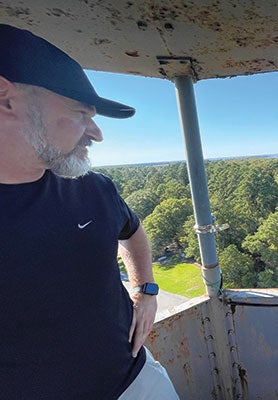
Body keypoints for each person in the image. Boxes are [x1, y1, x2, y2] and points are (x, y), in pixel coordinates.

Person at [0, 24, 179, 399]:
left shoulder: (94, 188)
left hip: (137, 382)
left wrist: (146, 290)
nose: (96, 133)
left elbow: (132, 232)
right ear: (6, 99)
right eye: (81, 112)